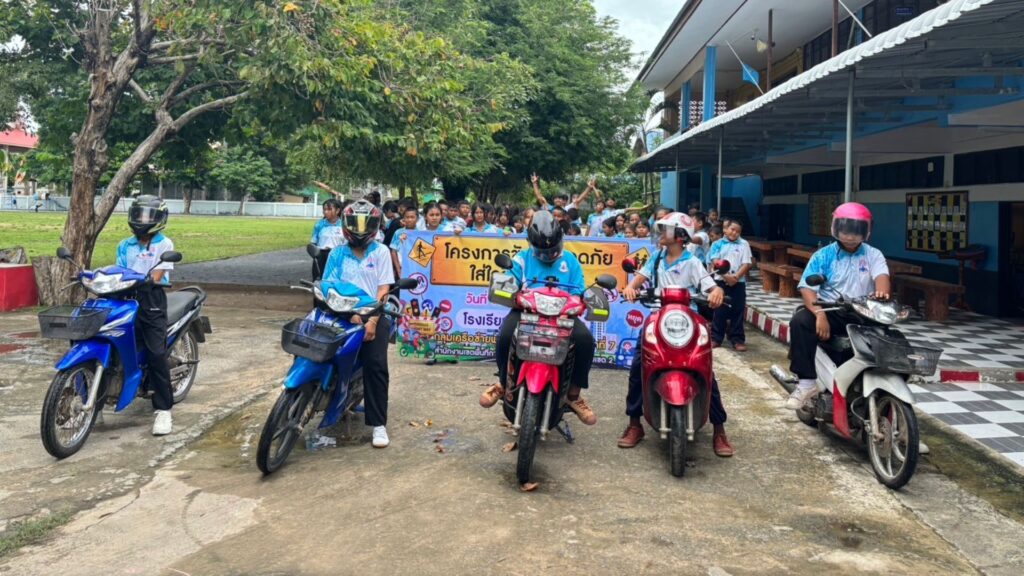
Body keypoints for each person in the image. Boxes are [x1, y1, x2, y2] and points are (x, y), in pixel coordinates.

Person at [619, 212, 733, 456]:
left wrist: (717, 293)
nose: (661, 233)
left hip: (688, 321)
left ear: (680, 236)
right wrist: (630, 288)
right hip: (659, 318)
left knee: (705, 370)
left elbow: (711, 286)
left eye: (666, 229)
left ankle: (719, 429)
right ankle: (634, 423)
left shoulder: (692, 262)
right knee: (639, 366)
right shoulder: (656, 258)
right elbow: (638, 280)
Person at [479, 210, 598, 425]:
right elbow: (510, 279)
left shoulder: (570, 261)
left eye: (552, 250)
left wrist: (578, 302)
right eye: (542, 251)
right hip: (527, 311)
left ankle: (574, 394)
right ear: (530, 243)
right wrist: (510, 291)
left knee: (586, 341)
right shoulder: (522, 258)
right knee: (505, 335)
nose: (547, 255)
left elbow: (579, 290)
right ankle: (503, 383)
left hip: (562, 315)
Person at [786, 202, 891, 409]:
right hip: (831, 310)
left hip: (864, 312)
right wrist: (819, 314)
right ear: (836, 228)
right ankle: (806, 384)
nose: (850, 236)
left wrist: (882, 292)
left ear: (866, 231)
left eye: (856, 231)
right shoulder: (823, 255)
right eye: (845, 231)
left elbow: (882, 277)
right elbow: (807, 288)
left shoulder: (873, 255)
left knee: (890, 334)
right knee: (800, 321)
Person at [321, 200, 396, 448]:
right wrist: (347, 313)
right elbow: (328, 285)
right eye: (355, 223)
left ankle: (378, 424)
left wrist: (371, 319)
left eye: (366, 224)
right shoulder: (336, 253)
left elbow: (383, 289)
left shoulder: (381, 252)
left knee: (376, 363)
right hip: (340, 312)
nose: (360, 229)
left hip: (374, 314)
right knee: (316, 348)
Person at [116, 195, 175, 436]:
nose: (143, 220)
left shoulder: (164, 244)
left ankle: (163, 410)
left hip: (151, 301)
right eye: (139, 215)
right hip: (125, 299)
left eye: (148, 216)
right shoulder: (124, 245)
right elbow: (119, 271)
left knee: (156, 353)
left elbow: (157, 276)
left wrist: (142, 280)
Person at [707, 221, 752, 351]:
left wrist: (736, 277)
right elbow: (715, 262)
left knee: (738, 310)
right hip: (721, 281)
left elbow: (746, 263)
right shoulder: (717, 244)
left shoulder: (744, 244)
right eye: (732, 229)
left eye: (738, 231)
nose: (734, 233)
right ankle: (716, 338)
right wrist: (727, 276)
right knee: (719, 309)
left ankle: (737, 339)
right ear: (725, 229)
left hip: (739, 282)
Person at [310, 199, 345, 280]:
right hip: (321, 256)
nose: (326, 212)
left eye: (329, 209)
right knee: (319, 280)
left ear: (337, 210)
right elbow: (313, 242)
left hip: (338, 256)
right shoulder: (319, 225)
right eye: (324, 209)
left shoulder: (344, 225)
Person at [389, 205, 420, 277]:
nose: (409, 220)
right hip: (401, 268)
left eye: (412, 217)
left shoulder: (420, 234)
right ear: (403, 218)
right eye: (407, 217)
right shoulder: (398, 232)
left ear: (417, 219)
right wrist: (398, 270)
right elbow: (393, 252)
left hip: (416, 269)